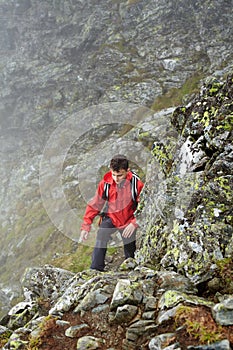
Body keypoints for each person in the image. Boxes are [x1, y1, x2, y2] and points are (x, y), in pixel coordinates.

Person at [80, 154, 144, 271]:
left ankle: (130, 271)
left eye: (120, 175)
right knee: (101, 235)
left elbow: (145, 207)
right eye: (114, 174)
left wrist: (134, 223)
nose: (116, 178)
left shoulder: (136, 184)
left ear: (127, 171)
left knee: (130, 249)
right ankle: (95, 269)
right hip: (111, 218)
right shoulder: (105, 183)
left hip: (128, 220)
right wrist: (86, 226)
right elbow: (95, 204)